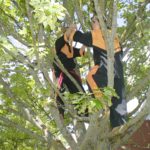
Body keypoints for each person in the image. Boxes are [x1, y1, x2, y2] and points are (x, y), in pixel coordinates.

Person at [66, 16, 127, 128]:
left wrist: (71, 30)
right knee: (118, 102)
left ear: (102, 23)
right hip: (118, 72)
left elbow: (78, 36)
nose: (92, 24)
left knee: (91, 77)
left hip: (105, 70)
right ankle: (119, 127)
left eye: (94, 21)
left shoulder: (98, 33)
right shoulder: (113, 36)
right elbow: (117, 52)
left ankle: (101, 102)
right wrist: (85, 45)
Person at [53, 24, 86, 119]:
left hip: (70, 72)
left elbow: (80, 52)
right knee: (59, 89)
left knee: (78, 89)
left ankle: (83, 111)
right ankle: (60, 111)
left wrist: (85, 43)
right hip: (60, 70)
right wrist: (72, 28)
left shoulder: (70, 47)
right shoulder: (59, 42)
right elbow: (67, 34)